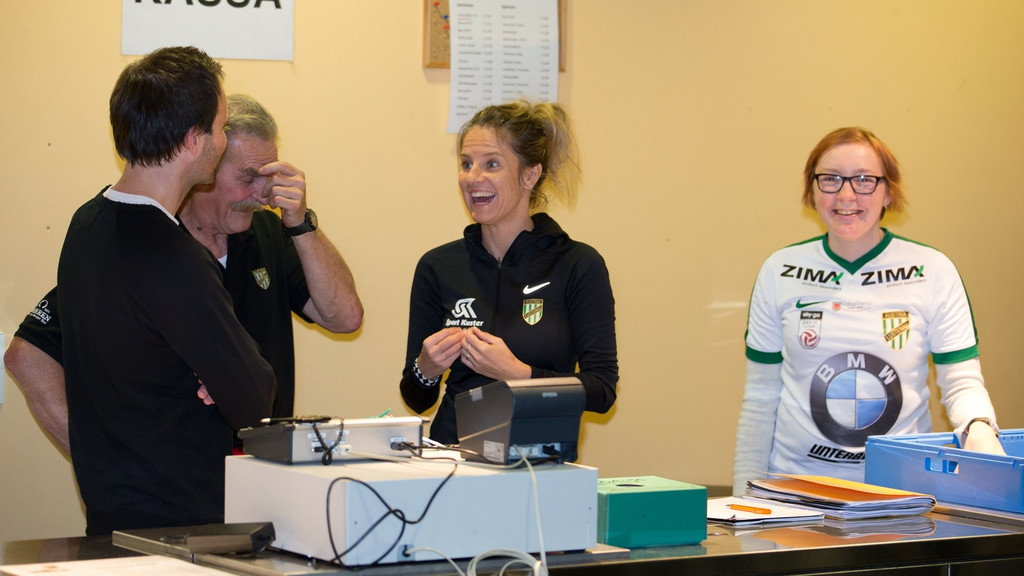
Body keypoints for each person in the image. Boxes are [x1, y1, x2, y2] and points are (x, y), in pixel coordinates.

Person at [5, 93, 363, 457]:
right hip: (179, 478)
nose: (263, 194)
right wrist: (97, 458)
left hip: (264, 463)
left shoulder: (268, 232)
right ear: (205, 165)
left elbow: (345, 317)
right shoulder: (149, 243)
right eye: (249, 177)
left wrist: (301, 224)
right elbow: (26, 356)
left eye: (269, 177)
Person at [55, 46, 276, 535]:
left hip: (110, 517)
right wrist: (214, 375)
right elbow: (255, 399)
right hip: (181, 532)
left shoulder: (86, 224)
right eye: (220, 128)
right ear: (195, 139)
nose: (223, 140)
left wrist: (201, 370)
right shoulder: (175, 258)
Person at [733, 127, 1004, 494]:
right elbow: (760, 400)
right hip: (794, 493)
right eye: (830, 179)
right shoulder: (779, 271)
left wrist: (979, 428)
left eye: (864, 180)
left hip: (900, 492)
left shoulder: (933, 270)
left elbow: (961, 383)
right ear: (812, 190)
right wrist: (744, 499)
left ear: (888, 191)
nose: (846, 195)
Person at [399, 100, 618, 447]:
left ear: (530, 175)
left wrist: (518, 374)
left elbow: (602, 391)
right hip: (452, 459)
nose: (473, 178)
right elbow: (417, 398)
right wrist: (425, 369)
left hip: (539, 463)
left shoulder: (577, 264)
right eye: (466, 164)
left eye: (492, 164)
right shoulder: (437, 266)